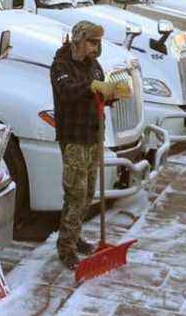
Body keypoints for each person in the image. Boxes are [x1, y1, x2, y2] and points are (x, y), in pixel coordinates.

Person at [50, 21, 132, 270]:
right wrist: (90, 87)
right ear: (79, 40)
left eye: (98, 43)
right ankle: (66, 248)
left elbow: (97, 92)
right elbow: (67, 91)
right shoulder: (61, 65)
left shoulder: (93, 65)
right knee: (75, 193)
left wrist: (111, 93)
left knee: (86, 194)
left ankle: (75, 237)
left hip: (93, 135)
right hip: (74, 138)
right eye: (92, 42)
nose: (96, 47)